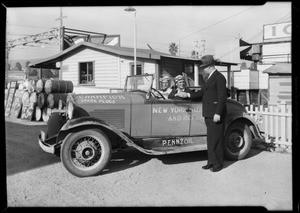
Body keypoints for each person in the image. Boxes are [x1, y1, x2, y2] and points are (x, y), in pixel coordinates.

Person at [175, 55, 227, 172]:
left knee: (217, 139)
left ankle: (218, 164)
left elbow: (222, 97)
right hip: (208, 113)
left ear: (210, 66)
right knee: (211, 139)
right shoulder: (209, 78)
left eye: (204, 67)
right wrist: (187, 95)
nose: (203, 69)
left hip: (215, 114)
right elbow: (201, 92)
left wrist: (218, 113)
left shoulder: (219, 78)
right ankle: (211, 162)